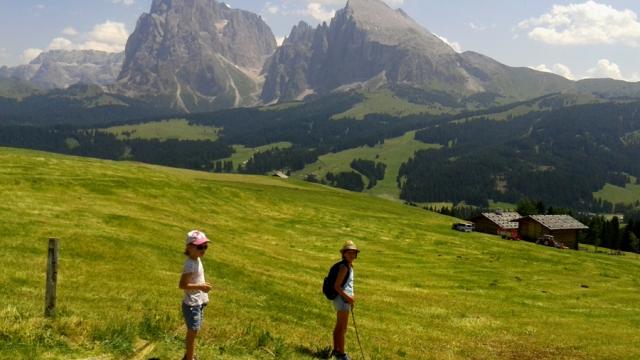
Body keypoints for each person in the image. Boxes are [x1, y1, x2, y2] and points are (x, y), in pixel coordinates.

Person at [179, 230, 212, 360]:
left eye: (205, 246)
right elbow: (182, 285)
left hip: (198, 302)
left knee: (194, 331)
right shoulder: (189, 264)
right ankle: (189, 358)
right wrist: (201, 287)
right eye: (199, 246)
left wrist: (203, 292)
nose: (203, 249)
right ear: (189, 247)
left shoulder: (196, 259)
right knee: (192, 333)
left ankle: (189, 355)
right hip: (192, 304)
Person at [332, 240, 359, 360]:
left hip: (343, 300)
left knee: (339, 327)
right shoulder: (344, 267)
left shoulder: (348, 266)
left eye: (354, 253)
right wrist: (350, 299)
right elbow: (337, 286)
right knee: (342, 328)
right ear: (344, 254)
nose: (352, 255)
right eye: (349, 253)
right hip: (343, 300)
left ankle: (336, 350)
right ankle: (342, 355)